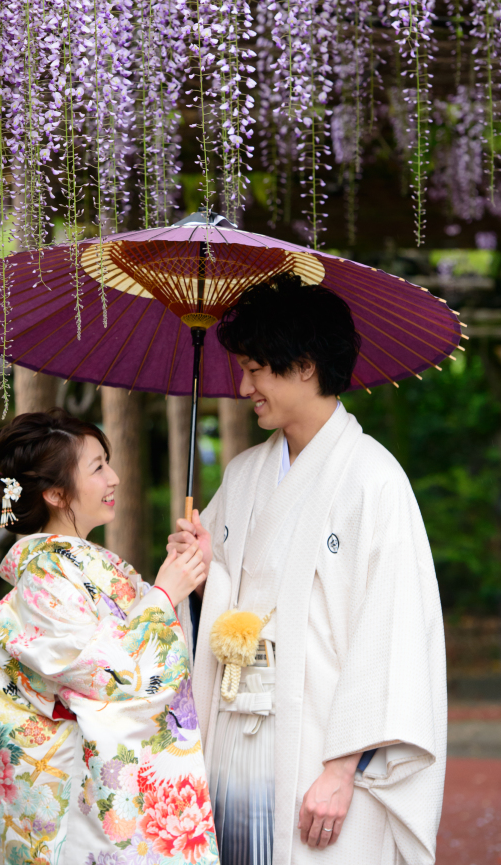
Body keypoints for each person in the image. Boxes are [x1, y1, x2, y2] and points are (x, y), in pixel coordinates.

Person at [169, 274, 446, 865]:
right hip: (238, 739)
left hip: (324, 744)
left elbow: (390, 637)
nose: (243, 387)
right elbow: (207, 604)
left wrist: (342, 770)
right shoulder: (243, 474)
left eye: (254, 369)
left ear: (303, 366)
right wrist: (201, 569)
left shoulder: (374, 480)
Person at [0, 407, 221, 865]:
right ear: (55, 493)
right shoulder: (44, 576)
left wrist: (193, 584)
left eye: (108, 462)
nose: (116, 478)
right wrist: (165, 594)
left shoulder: (90, 565)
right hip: (89, 802)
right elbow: (107, 676)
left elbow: (166, 639)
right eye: (98, 467)